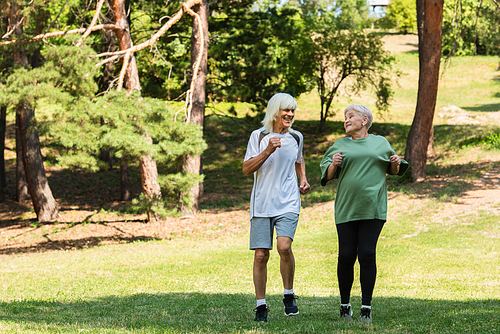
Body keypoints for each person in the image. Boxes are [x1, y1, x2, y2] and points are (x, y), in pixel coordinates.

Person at [319, 104, 409, 324]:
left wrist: (396, 163)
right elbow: (327, 175)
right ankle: (344, 307)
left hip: (373, 208)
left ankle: (366, 309)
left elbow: (394, 169)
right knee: (346, 255)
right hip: (346, 208)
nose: (346, 120)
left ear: (365, 120)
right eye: (345, 117)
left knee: (367, 253)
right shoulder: (339, 145)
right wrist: (334, 164)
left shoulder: (380, 142)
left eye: (351, 116)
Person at [243, 93, 310, 322]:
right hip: (261, 204)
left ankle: (288, 295)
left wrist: (303, 178)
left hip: (288, 202)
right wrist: (268, 150)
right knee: (261, 255)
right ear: (275, 111)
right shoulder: (258, 136)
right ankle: (261, 305)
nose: (290, 115)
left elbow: (299, 159)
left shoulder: (297, 137)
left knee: (283, 246)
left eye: (293, 111)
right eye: (286, 110)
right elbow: (246, 168)